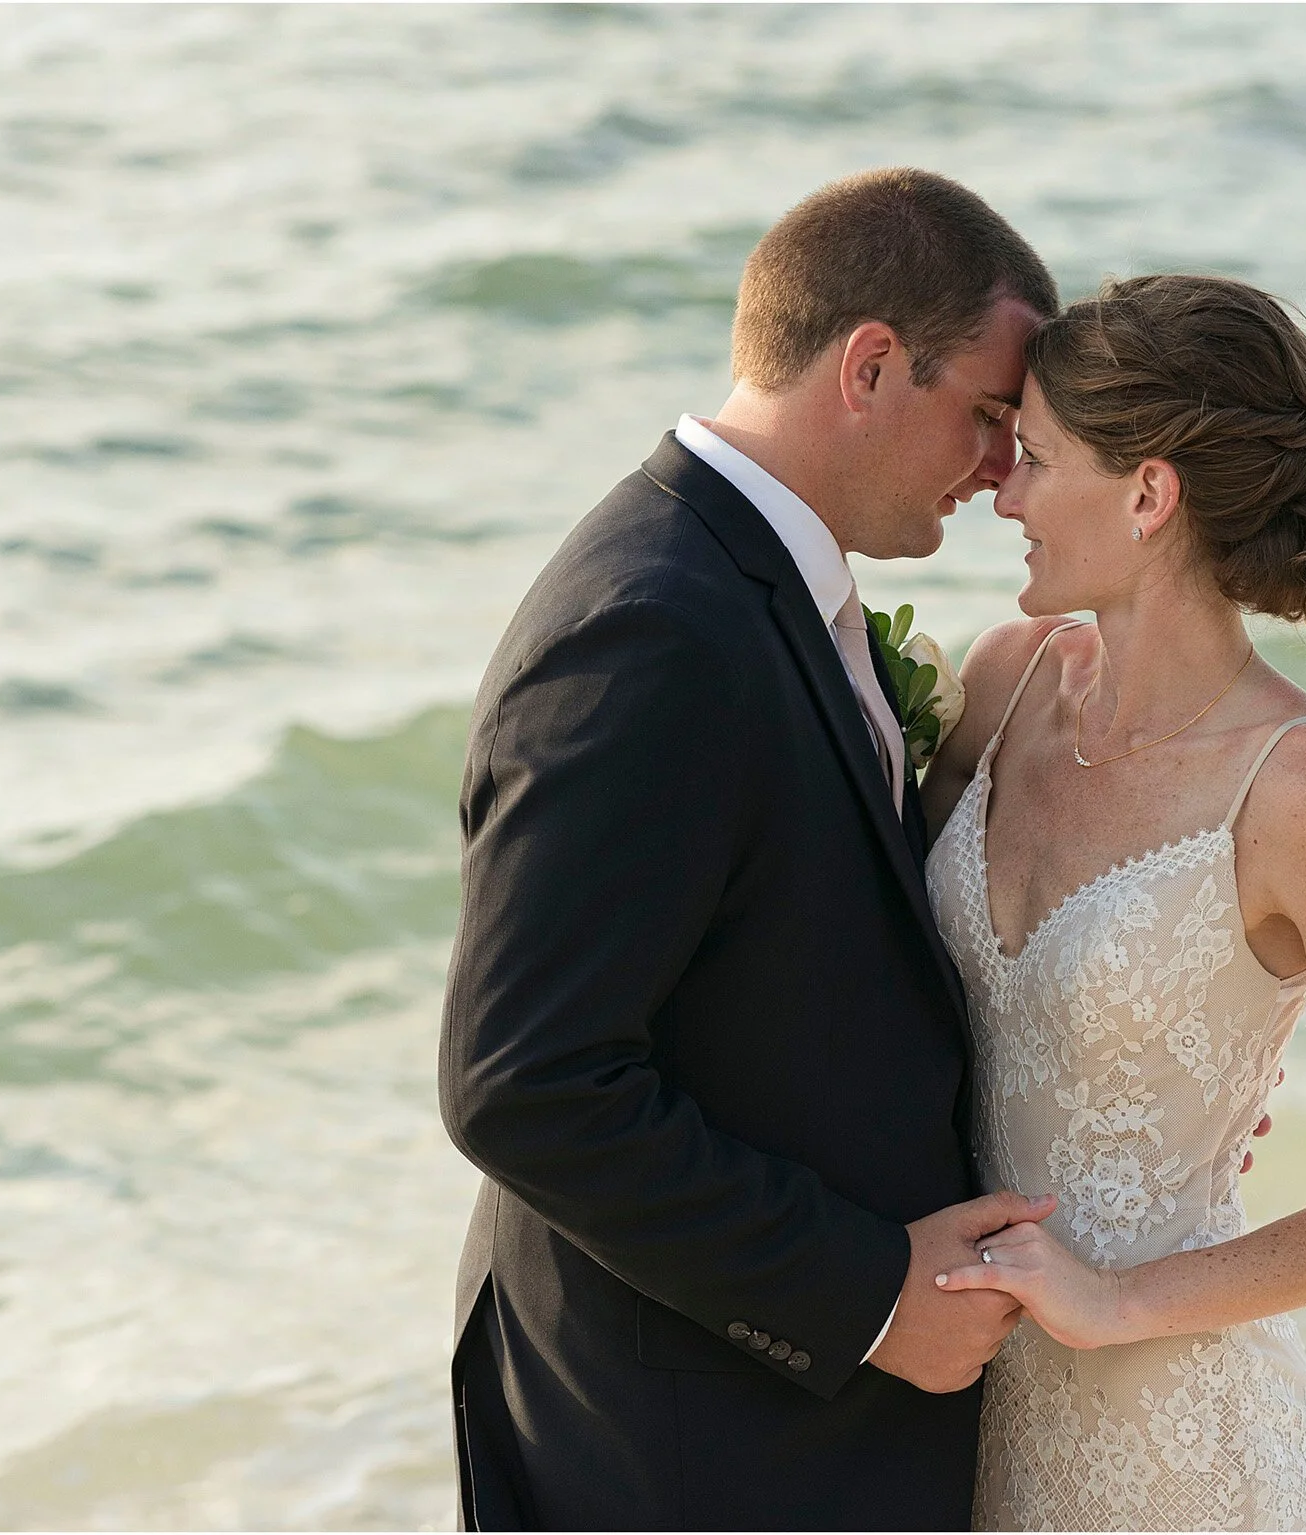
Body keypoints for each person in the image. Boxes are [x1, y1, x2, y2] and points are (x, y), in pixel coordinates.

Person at [435, 167, 1069, 1531]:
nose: (1001, 470)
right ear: (870, 366)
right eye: (989, 415)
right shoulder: (653, 627)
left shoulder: (766, 589)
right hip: (684, 1450)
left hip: (776, 1435)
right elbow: (526, 1084)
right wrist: (869, 1294)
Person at [918, 274, 1306, 1531]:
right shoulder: (1005, 684)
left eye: (1036, 459)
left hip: (1187, 1451)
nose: (1003, 493)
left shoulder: (1305, 790)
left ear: (1147, 494)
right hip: (970, 1421)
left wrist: (1117, 1299)